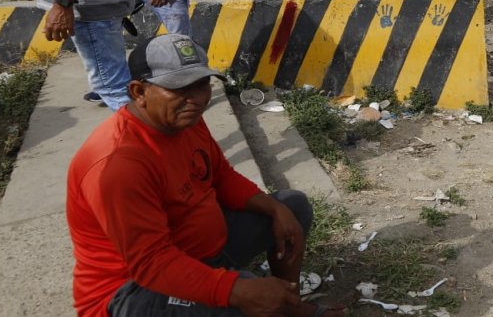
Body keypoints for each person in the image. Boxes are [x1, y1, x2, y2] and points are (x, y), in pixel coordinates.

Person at [66, 34, 342, 317]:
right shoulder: (118, 165)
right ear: (139, 92)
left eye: (202, 85)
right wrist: (234, 290)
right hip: (132, 290)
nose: (197, 99)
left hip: (198, 252)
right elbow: (150, 263)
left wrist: (275, 209)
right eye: (180, 88)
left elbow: (221, 176)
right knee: (240, 302)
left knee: (292, 208)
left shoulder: (184, 122)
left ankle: (288, 305)